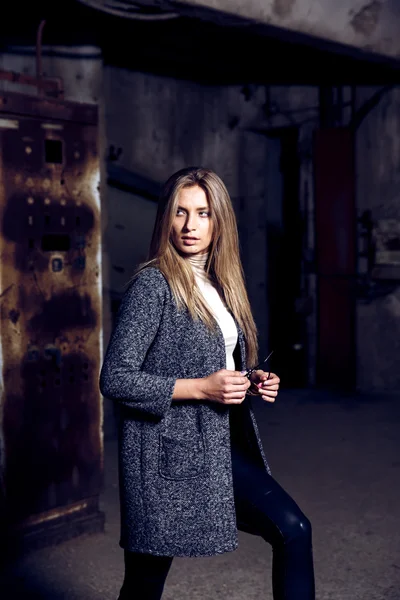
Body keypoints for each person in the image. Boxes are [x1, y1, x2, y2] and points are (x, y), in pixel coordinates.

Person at [100, 167, 315, 600]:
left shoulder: (221, 283)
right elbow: (115, 378)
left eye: (202, 213)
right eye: (180, 212)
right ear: (167, 218)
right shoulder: (153, 285)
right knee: (144, 582)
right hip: (163, 457)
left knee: (294, 529)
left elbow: (217, 358)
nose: (189, 225)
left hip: (216, 445)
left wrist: (251, 379)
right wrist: (201, 388)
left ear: (219, 221)